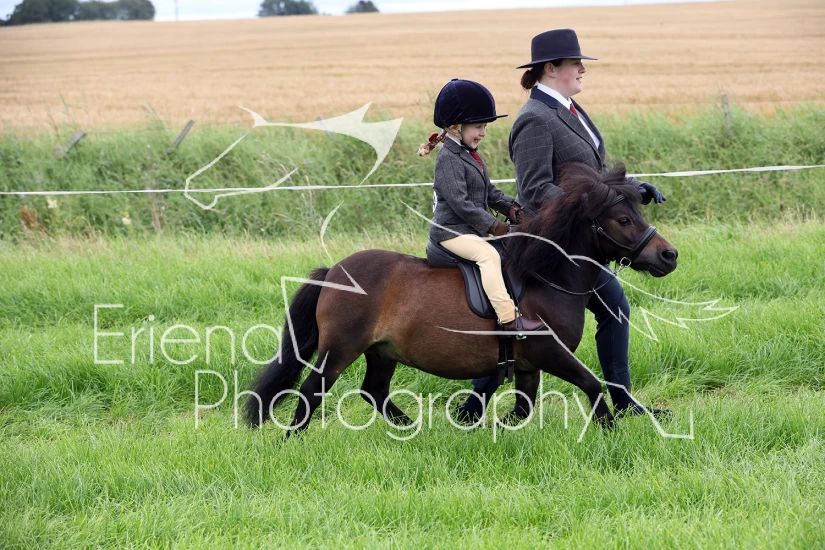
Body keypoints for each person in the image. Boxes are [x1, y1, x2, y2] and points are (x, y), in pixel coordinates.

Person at [456, 29, 669, 420]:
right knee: (529, 327)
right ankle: (474, 406)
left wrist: (633, 189)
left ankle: (622, 402)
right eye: (576, 63)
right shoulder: (534, 119)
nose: (582, 69)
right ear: (551, 69)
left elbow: (594, 175)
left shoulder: (569, 109)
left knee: (614, 309)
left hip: (581, 243)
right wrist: (594, 208)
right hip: (551, 244)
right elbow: (535, 189)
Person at [419, 78, 544, 335]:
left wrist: (513, 209)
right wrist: (494, 225)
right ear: (455, 127)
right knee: (488, 256)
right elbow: (461, 204)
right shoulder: (448, 159)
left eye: (484, 126)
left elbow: (489, 192)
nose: (483, 133)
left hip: (469, 229)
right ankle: (508, 319)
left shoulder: (470, 154)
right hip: (451, 232)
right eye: (478, 126)